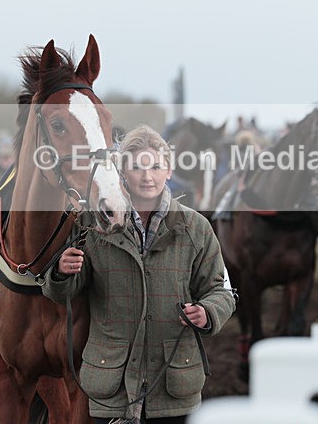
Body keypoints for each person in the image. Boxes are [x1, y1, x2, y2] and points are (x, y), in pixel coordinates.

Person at [42, 125, 236, 423]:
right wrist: (61, 272)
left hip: (174, 388)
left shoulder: (196, 227)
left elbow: (221, 290)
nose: (147, 176)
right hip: (111, 387)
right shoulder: (92, 224)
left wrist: (207, 312)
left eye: (156, 167)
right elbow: (63, 293)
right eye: (137, 167)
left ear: (169, 171)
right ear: (122, 172)